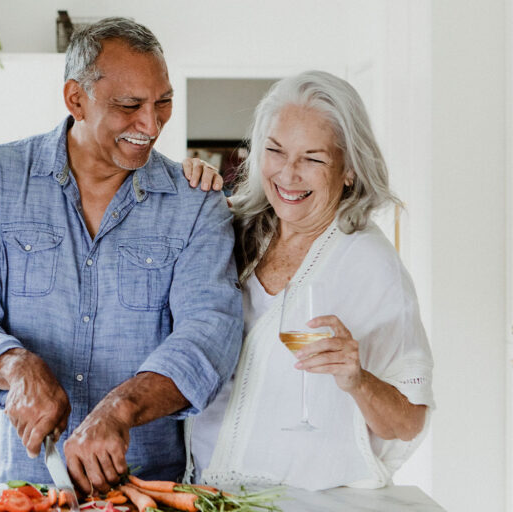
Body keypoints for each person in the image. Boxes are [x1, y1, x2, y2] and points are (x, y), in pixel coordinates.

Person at [0, 18, 243, 493]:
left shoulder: (196, 201)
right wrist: (15, 366)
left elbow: (209, 335)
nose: (151, 124)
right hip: (25, 486)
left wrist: (121, 408)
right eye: (129, 106)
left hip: (146, 488)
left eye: (163, 103)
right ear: (75, 99)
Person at [182, 70, 434, 490]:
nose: (288, 174)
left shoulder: (369, 264)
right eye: (276, 151)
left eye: (313, 159)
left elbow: (407, 422)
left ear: (349, 169)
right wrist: (184, 188)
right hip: (201, 492)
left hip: (303, 501)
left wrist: (358, 379)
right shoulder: (232, 230)